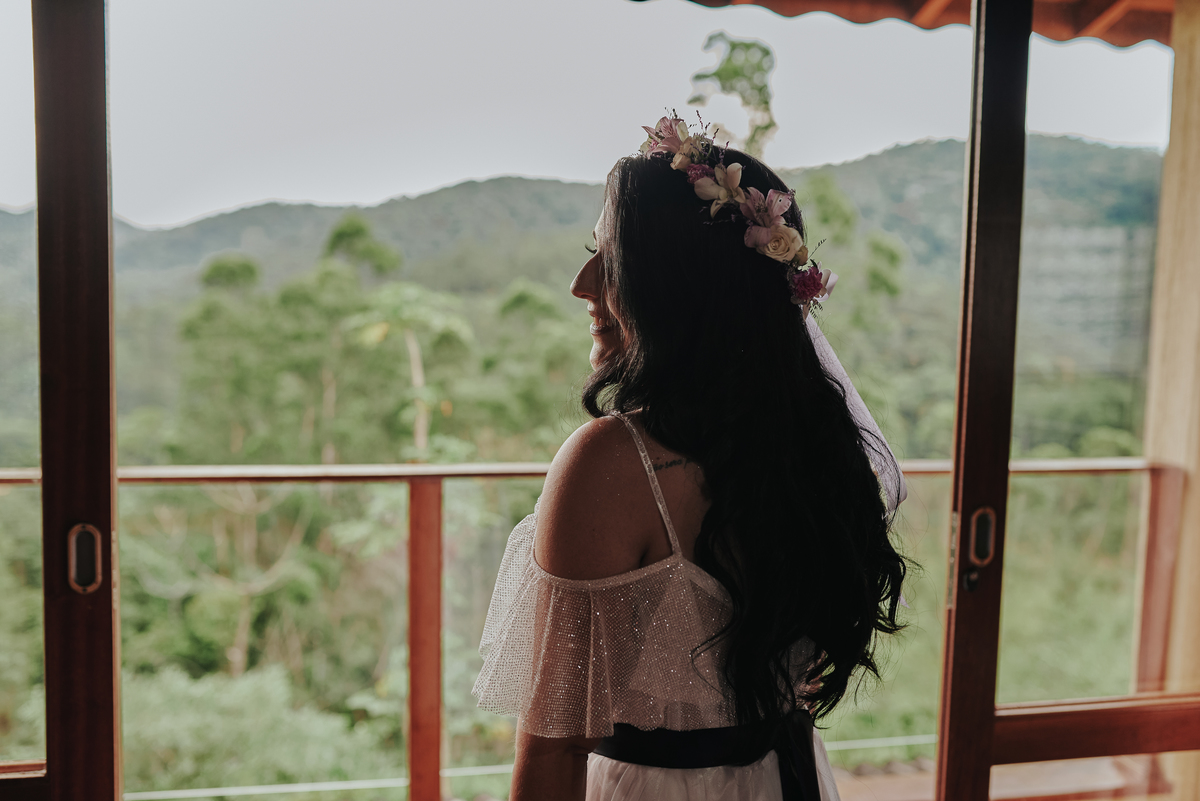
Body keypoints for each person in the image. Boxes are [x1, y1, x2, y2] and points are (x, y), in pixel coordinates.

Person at [473, 114, 909, 801]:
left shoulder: (612, 464)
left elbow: (555, 749)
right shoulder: (814, 447)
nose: (582, 283)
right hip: (785, 777)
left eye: (613, 257)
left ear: (677, 283)